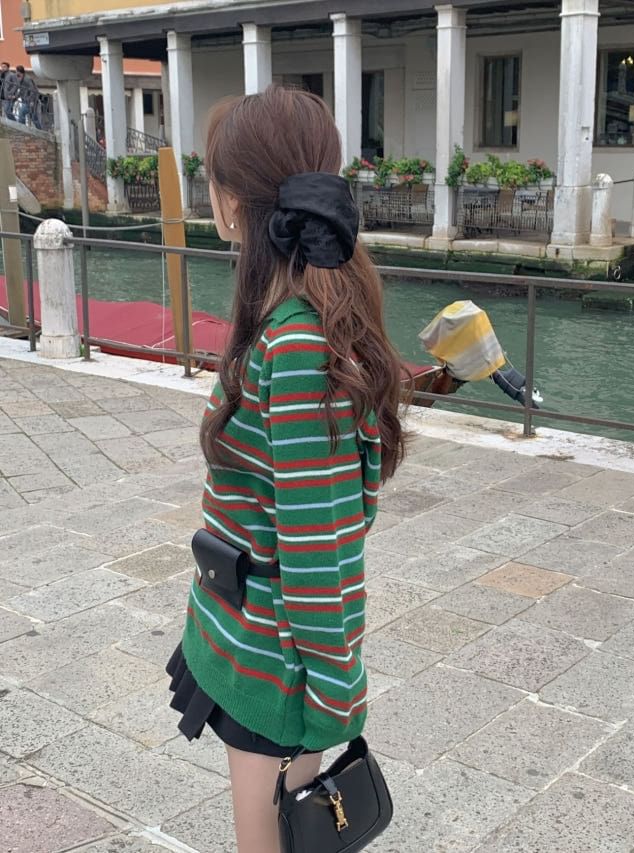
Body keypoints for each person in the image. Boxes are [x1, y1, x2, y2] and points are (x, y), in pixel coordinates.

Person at [166, 85, 405, 853]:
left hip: (276, 659)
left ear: (231, 202)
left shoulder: (295, 343)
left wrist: (335, 693)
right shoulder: (288, 323)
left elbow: (315, 545)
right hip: (248, 634)